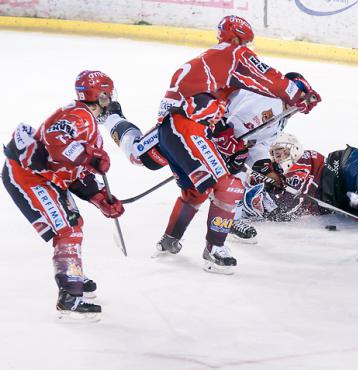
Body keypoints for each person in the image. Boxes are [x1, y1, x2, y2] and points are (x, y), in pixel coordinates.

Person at [105, 15, 320, 273]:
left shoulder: (276, 117)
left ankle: (111, 117)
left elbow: (257, 146)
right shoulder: (234, 58)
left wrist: (266, 168)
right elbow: (265, 84)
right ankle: (214, 249)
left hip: (183, 126)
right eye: (245, 42)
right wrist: (299, 95)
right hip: (188, 125)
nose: (247, 48)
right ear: (238, 39)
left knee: (145, 157)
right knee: (225, 186)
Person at [2, 70, 125, 320]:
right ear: (100, 95)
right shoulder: (80, 116)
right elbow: (55, 139)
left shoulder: (87, 124)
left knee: (73, 225)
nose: (109, 100)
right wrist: (87, 155)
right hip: (28, 175)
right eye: (107, 95)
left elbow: (76, 172)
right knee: (68, 230)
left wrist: (101, 198)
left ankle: (73, 274)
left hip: (47, 177)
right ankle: (70, 296)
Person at [240, 133, 358, 225]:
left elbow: (293, 200)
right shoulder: (282, 185)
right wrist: (270, 186)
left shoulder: (304, 160)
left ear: (295, 149)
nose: (280, 158)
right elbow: (281, 210)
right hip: (344, 195)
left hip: (346, 167)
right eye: (276, 155)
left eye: (283, 152)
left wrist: (275, 188)